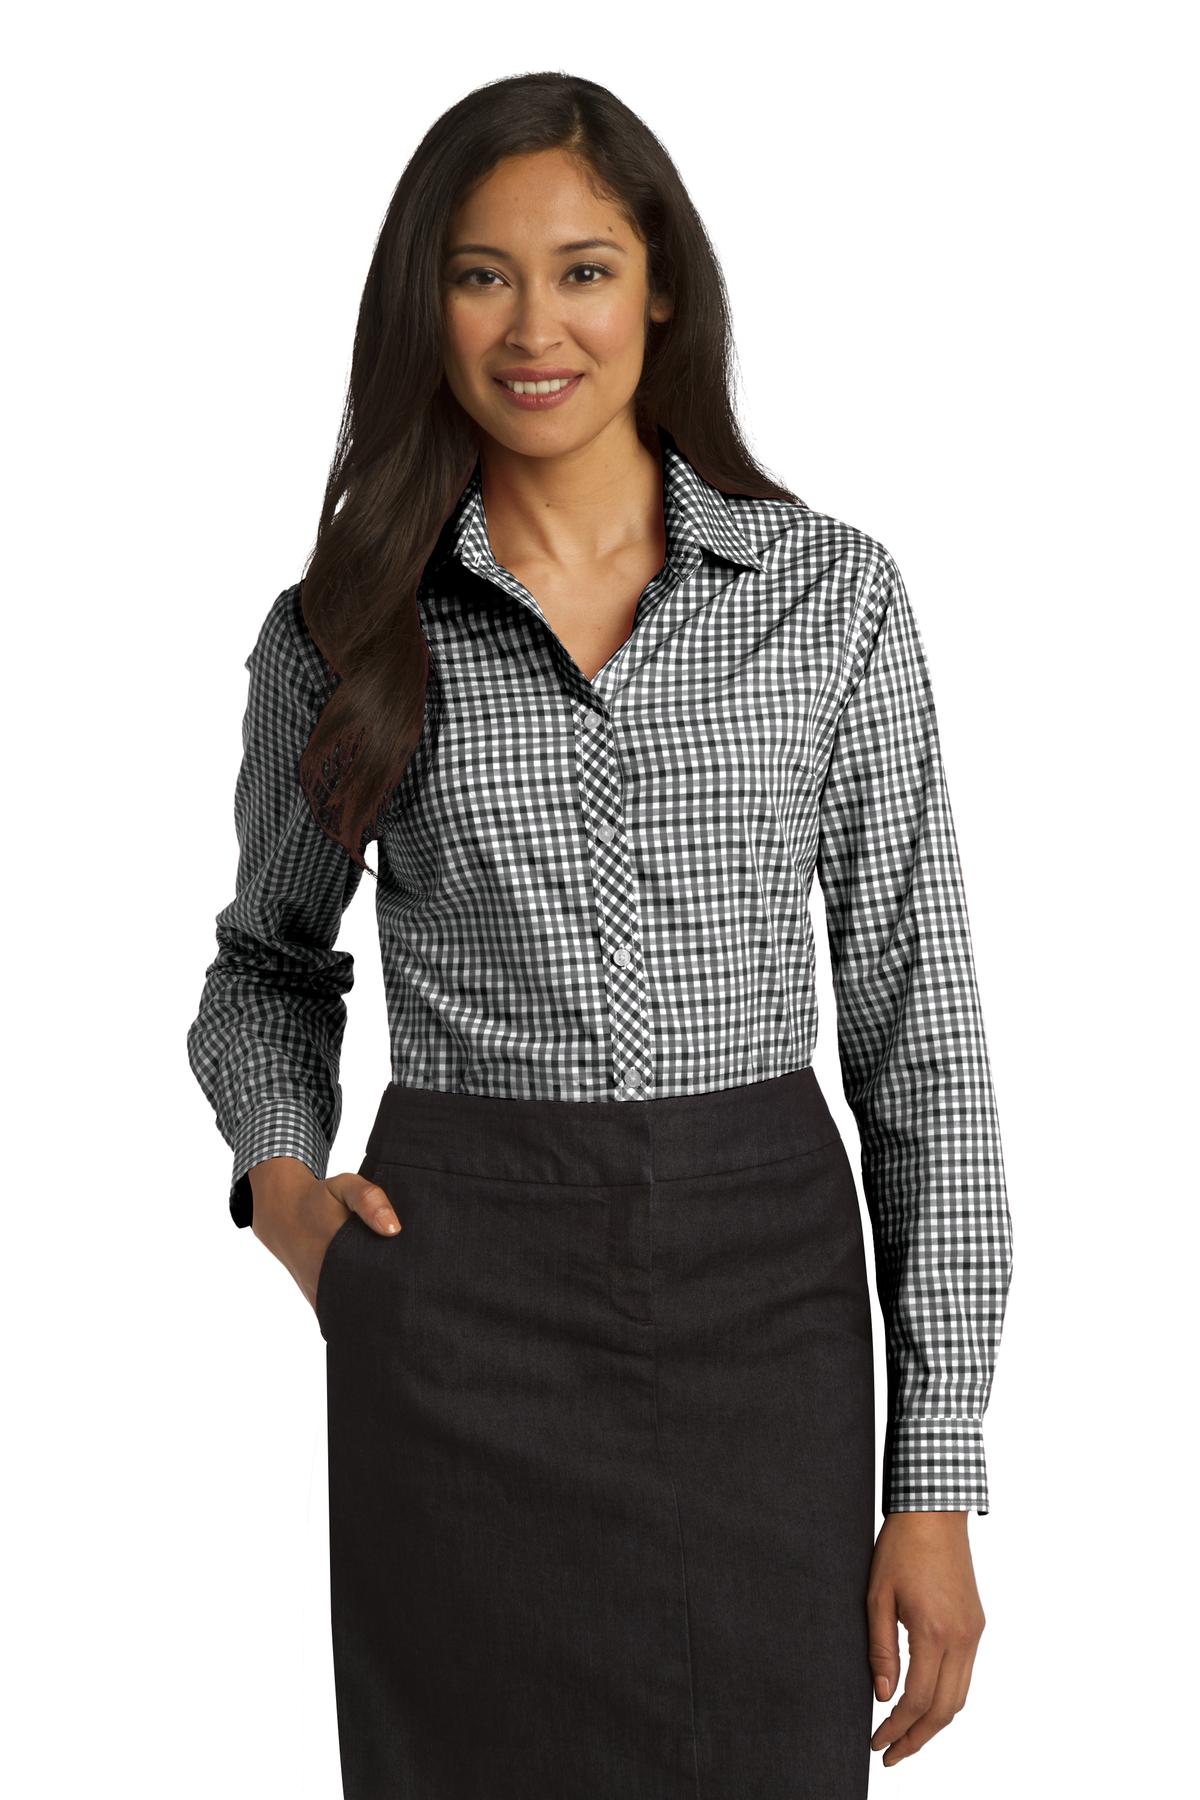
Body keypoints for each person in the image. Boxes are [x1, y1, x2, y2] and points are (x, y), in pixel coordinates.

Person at [186, 70, 1014, 1800]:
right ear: (424, 306)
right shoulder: (342, 632)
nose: (533, 327)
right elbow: (268, 966)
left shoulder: (831, 598)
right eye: (480, 275)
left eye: (583, 270)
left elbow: (921, 1040)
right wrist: (287, 1197)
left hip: (769, 1313)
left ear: (662, 293)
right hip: (460, 1313)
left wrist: (934, 1479)